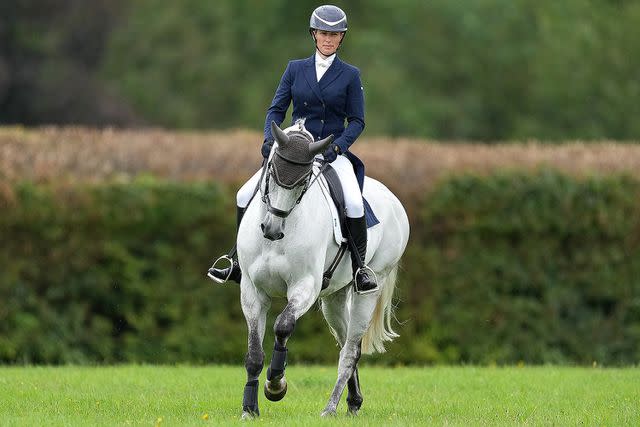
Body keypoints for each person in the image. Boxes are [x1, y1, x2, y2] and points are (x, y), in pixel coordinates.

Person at [208, 4, 376, 292]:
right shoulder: (295, 69)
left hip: (329, 151)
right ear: (314, 34)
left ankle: (360, 269)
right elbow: (276, 110)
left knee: (354, 201)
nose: (328, 39)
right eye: (323, 33)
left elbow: (357, 122)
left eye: (335, 35)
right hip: (292, 150)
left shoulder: (350, 75)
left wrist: (336, 148)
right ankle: (236, 261)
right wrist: (269, 141)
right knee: (244, 193)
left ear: (341, 39)